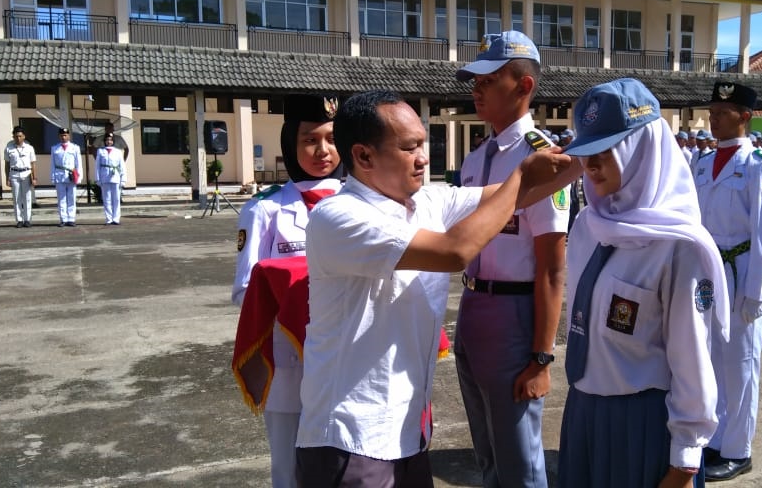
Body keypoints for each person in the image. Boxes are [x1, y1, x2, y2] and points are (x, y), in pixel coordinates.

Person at [295, 90, 571, 487]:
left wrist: (594, 154)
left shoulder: (425, 201)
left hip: (407, 434)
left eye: (423, 144)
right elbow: (454, 251)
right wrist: (522, 173)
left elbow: (519, 196)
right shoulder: (339, 216)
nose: (424, 157)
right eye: (409, 148)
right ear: (364, 156)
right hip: (352, 437)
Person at [557, 78, 727, 488]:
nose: (591, 164)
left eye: (606, 149)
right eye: (586, 152)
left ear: (642, 148)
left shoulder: (677, 246)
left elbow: (692, 359)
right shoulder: (588, 226)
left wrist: (685, 460)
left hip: (643, 425)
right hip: (583, 412)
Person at [452, 30, 569, 488]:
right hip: (474, 308)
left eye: (489, 79)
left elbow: (552, 268)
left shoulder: (543, 157)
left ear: (524, 87)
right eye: (475, 80)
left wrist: (541, 358)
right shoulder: (475, 159)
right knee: (487, 454)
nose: (476, 88)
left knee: (519, 461)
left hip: (516, 314)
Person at [231, 94, 342, 488]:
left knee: (344, 461)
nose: (322, 150)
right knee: (289, 467)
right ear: (289, 145)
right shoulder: (265, 209)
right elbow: (247, 290)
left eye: (331, 138)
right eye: (310, 139)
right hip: (289, 362)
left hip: (347, 358)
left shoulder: (360, 204)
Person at [692, 81, 762, 482]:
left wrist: (755, 292)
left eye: (723, 113)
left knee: (741, 361)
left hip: (741, 267)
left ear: (744, 117)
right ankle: (715, 438)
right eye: (712, 111)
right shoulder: (702, 161)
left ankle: (738, 448)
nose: (714, 119)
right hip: (709, 270)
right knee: (710, 358)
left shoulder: (761, 164)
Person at [3, 126, 37, 228]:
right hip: (14, 174)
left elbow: (33, 163)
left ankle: (27, 219)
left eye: (20, 136)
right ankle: (19, 220)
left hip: (26, 174)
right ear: (13, 136)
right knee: (17, 198)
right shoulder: (9, 148)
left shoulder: (29, 148)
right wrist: (7, 178)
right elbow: (7, 164)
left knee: (27, 198)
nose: (18, 138)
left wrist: (34, 177)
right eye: (16, 136)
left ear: (24, 137)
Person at [50, 127, 83, 227]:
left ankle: (71, 219)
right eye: (62, 135)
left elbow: (79, 163)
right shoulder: (55, 148)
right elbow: (52, 164)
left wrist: (79, 177)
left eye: (65, 135)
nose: (64, 137)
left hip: (71, 176)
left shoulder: (75, 147)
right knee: (61, 199)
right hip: (59, 175)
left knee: (71, 198)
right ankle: (63, 219)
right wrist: (52, 177)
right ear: (59, 136)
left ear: (69, 136)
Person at [95, 132, 128, 225]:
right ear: (104, 141)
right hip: (104, 177)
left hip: (116, 177)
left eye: (110, 140)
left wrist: (123, 179)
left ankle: (116, 218)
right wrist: (97, 178)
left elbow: (122, 166)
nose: (108, 141)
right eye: (107, 140)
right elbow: (97, 166)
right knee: (107, 199)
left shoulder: (118, 151)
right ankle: (109, 219)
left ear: (113, 141)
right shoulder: (100, 151)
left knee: (116, 199)